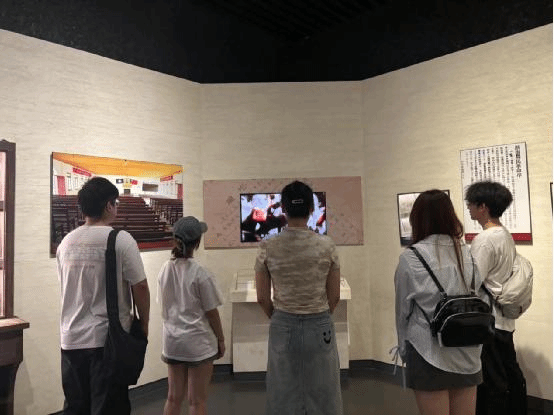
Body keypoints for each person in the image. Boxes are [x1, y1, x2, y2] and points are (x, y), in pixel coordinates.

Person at [57, 177, 150, 414]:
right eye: (115, 203)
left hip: (70, 339)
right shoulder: (120, 239)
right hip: (106, 341)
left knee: (76, 407)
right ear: (109, 205)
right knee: (109, 408)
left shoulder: (66, 243)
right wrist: (143, 325)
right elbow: (140, 286)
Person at [255, 180, 343, 415]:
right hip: (320, 322)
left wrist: (279, 317)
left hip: (283, 322)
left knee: (282, 393)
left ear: (283, 209)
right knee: (324, 394)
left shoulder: (268, 246)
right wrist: (319, 314)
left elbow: (262, 297)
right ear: (311, 209)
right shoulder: (327, 245)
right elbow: (334, 296)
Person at [394, 189, 485, 415]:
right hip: (468, 350)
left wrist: (403, 349)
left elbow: (402, 312)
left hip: (428, 350)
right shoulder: (467, 253)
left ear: (416, 219)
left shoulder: (411, 257)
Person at [465, 181, 527, 415]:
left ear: (483, 207)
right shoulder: (504, 234)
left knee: (492, 381)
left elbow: (472, 282)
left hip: (489, 319)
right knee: (508, 373)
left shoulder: (485, 239)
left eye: (471, 203)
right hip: (503, 318)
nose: (469, 208)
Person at [158, 216, 225, 415]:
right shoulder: (201, 273)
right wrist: (221, 339)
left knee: (173, 398)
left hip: (172, 341)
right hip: (198, 342)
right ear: (197, 242)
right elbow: (212, 312)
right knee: (196, 401)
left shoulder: (165, 268)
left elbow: (164, 304)